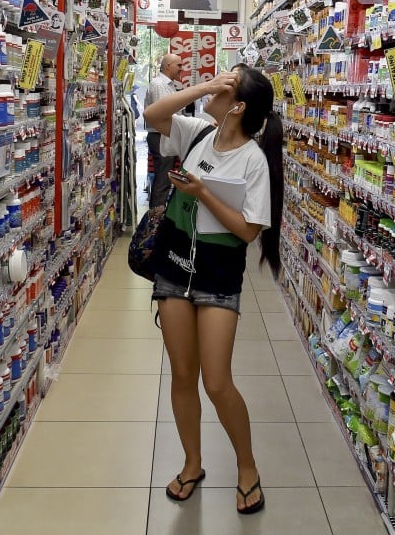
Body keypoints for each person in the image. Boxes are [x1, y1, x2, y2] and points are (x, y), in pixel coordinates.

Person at [143, 67, 283, 515]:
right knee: (182, 376)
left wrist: (202, 192)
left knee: (217, 381)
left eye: (229, 82)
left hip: (219, 275)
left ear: (238, 106)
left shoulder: (253, 160)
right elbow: (152, 114)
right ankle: (192, 463)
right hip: (175, 265)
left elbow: (248, 231)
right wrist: (204, 88)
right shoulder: (199, 133)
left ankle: (247, 468)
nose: (219, 80)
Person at [144, 54, 184, 207]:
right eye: (178, 65)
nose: (181, 69)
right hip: (161, 136)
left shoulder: (167, 85)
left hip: (164, 135)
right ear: (168, 66)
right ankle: (155, 219)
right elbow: (165, 113)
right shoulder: (159, 85)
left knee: (164, 178)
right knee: (162, 180)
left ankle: (157, 214)